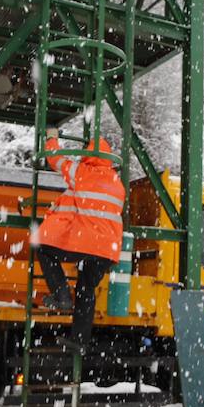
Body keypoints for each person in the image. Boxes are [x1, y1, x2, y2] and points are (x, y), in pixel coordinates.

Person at [35, 127, 125, 353]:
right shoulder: (117, 183)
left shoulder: (82, 172)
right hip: (108, 250)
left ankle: (61, 294)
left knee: (43, 247)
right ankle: (80, 341)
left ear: (89, 155)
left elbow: (54, 159)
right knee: (86, 288)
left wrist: (51, 138)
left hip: (87, 243)